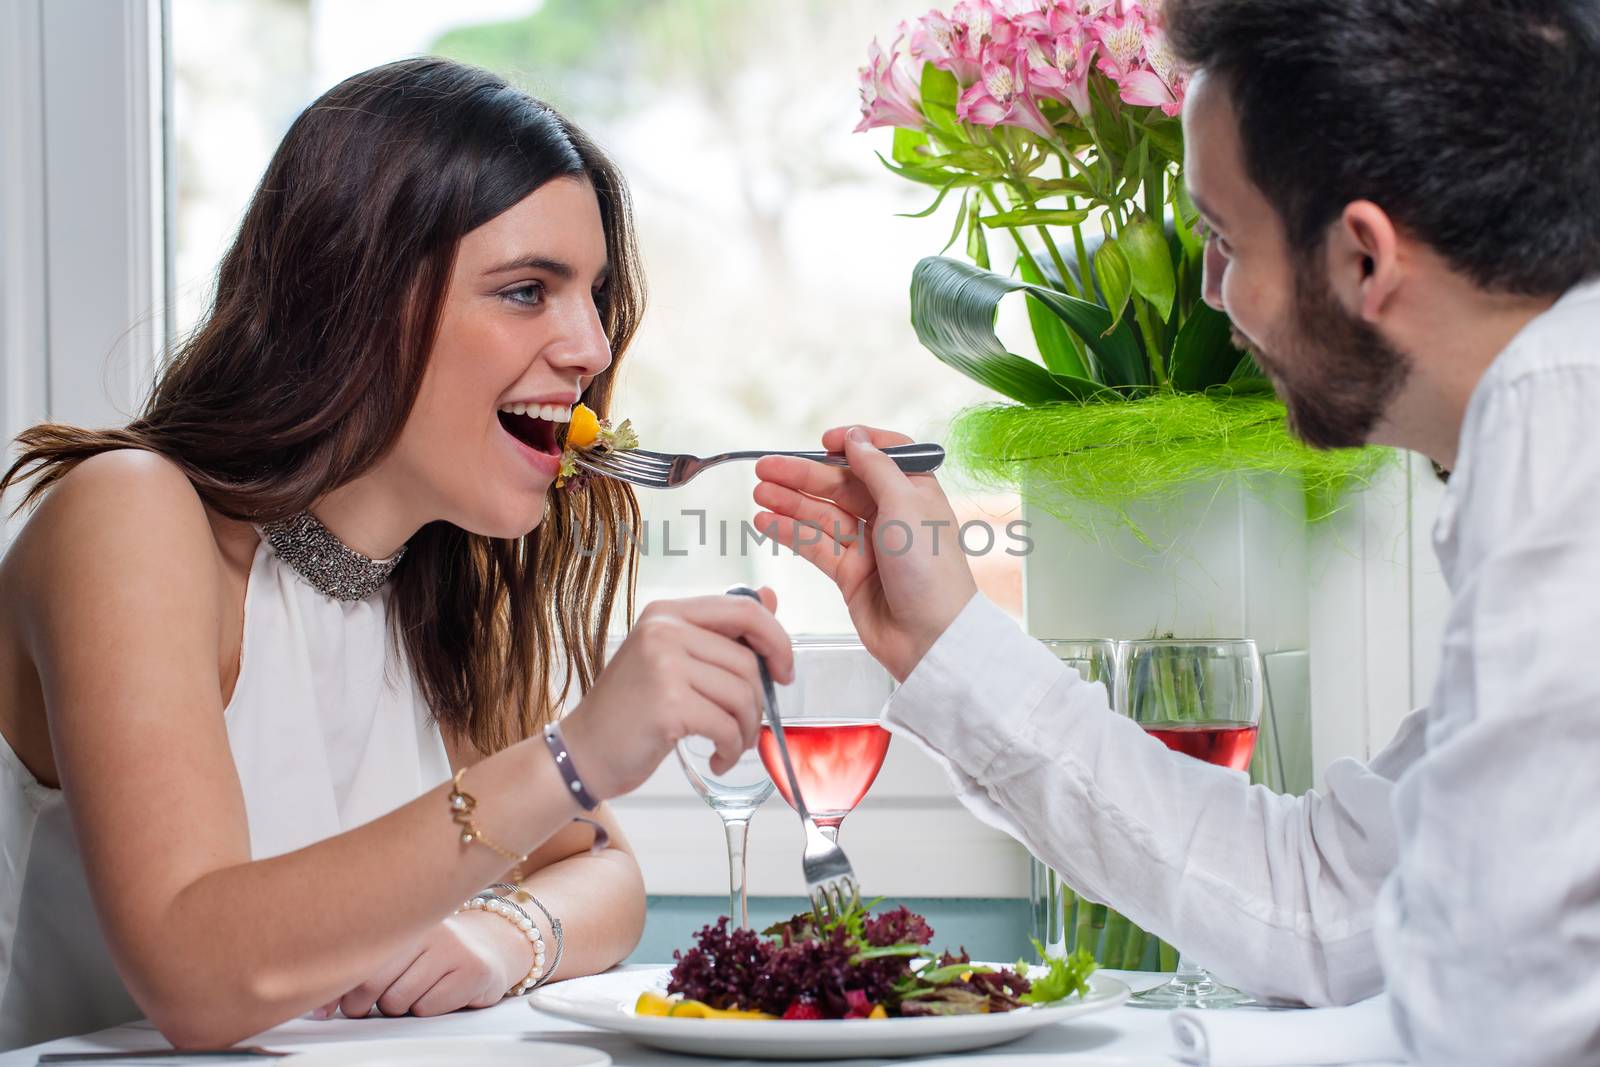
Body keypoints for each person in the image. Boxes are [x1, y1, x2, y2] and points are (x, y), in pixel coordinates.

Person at [752, 1, 1600, 1063]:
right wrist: (943, 641)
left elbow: (1490, 1018)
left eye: (1221, 239)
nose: (1209, 291)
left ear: (1363, 259)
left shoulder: (1561, 404)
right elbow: (1328, 902)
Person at [0, 57, 791, 1051]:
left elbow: (605, 874)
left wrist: (505, 932)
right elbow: (193, 971)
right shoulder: (134, 517)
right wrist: (573, 754)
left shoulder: (437, 574)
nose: (589, 344)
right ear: (355, 294)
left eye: (592, 293)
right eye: (525, 289)